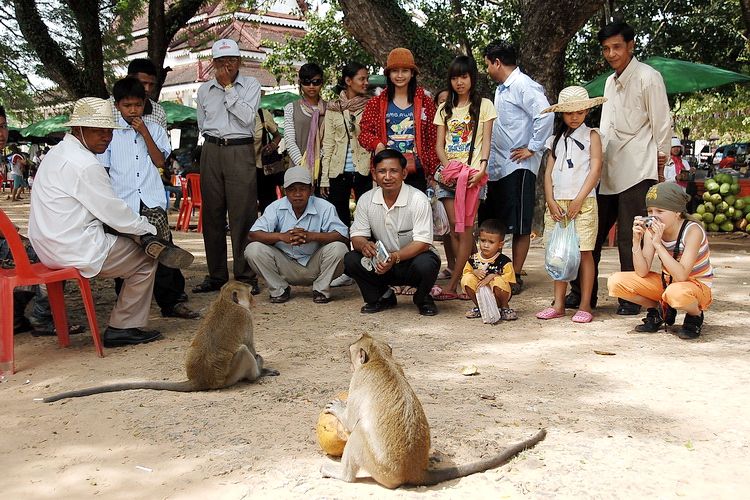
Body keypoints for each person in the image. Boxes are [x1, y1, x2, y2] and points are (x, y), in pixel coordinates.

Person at [28, 97, 163, 347]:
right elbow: (115, 213)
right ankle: (124, 326)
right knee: (146, 257)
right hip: (74, 248)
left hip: (47, 247)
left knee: (129, 238)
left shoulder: (57, 153)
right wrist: (148, 229)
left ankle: (125, 322)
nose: (106, 137)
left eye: (109, 131)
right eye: (98, 131)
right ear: (78, 129)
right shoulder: (86, 164)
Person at [567, 21, 672, 316]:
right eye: (606, 49)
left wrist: (661, 164)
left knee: (630, 236)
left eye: (617, 47)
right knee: (591, 233)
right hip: (608, 169)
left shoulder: (649, 78)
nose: (611, 53)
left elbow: (662, 123)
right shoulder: (610, 82)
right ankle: (583, 293)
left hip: (638, 168)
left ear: (631, 46)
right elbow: (606, 128)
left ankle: (631, 296)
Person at [100, 77, 199, 320]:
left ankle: (172, 302)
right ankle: (126, 308)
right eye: (127, 106)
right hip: (123, 203)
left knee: (163, 252)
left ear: (144, 103)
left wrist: (144, 132)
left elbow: (159, 161)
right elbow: (104, 168)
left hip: (151, 200)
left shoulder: (153, 129)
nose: (133, 110)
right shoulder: (109, 134)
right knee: (125, 254)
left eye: (137, 105)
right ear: (117, 105)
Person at [482, 40, 554, 295]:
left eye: (488, 64)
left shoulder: (524, 85)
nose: (487, 69)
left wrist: (533, 147)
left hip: (519, 166)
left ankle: (516, 274)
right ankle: (497, 269)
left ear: (497, 62)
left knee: (521, 224)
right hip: (499, 166)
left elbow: (546, 114)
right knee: (499, 220)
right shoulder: (502, 89)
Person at [194, 38, 262, 294]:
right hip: (211, 149)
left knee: (243, 213)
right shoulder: (203, 90)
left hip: (239, 148)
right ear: (213, 63)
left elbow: (247, 118)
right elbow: (202, 123)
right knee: (211, 213)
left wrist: (229, 88)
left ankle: (245, 275)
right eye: (221, 62)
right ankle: (216, 275)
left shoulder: (251, 85)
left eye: (231, 61)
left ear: (240, 62)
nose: (227, 66)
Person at [535, 86, 605, 323]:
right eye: (569, 113)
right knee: (558, 253)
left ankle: (585, 304)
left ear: (586, 110)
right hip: (557, 203)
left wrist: (579, 199)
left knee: (585, 252)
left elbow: (595, 169)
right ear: (562, 114)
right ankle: (559, 303)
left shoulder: (592, 135)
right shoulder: (555, 140)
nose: (574, 117)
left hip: (583, 202)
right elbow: (548, 174)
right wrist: (550, 200)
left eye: (579, 111)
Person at [608, 183, 712, 339]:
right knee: (616, 282)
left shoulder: (692, 231)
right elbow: (642, 272)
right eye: (650, 211)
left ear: (677, 212)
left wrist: (658, 244)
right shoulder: (652, 231)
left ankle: (695, 315)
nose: (653, 216)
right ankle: (660, 310)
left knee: (675, 293)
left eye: (660, 211)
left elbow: (682, 275)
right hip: (669, 283)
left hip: (696, 286)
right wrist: (636, 241)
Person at [344, 148, 440, 316]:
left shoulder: (418, 199)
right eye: (382, 171)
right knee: (351, 258)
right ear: (374, 174)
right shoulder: (366, 199)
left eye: (393, 171)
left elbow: (423, 243)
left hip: (411, 261)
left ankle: (423, 298)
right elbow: (357, 235)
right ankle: (382, 297)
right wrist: (365, 245)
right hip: (381, 262)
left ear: (404, 173)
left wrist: (394, 257)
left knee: (428, 263)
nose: (387, 177)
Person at [432, 55, 496, 301]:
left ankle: (456, 282)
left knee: (467, 227)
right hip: (449, 178)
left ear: (472, 78)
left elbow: (487, 142)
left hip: (473, 177)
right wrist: (449, 169)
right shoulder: (444, 109)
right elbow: (440, 146)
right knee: (456, 229)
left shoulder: (484, 105)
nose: (459, 82)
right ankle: (465, 279)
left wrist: (481, 169)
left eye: (464, 76)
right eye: (455, 77)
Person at [245, 166, 349, 303]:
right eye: (292, 189)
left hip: (314, 264)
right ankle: (279, 289)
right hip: (285, 264)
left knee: (340, 249)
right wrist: (281, 236)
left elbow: (343, 236)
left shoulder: (325, 207)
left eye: (302, 189)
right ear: (284, 191)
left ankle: (321, 288)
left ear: (311, 190)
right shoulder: (275, 207)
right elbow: (253, 235)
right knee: (253, 250)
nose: (297, 194)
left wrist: (311, 236)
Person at [359, 47, 439, 194]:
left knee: (415, 213)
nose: (400, 75)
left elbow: (433, 139)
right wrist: (377, 144)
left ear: (412, 73)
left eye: (405, 71)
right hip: (387, 170)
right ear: (388, 74)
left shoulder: (425, 102)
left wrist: (432, 171)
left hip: (417, 169)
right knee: (388, 214)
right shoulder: (376, 102)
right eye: (395, 71)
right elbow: (364, 133)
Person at [321, 62, 372, 289]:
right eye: (362, 78)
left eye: (366, 78)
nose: (366, 83)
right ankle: (346, 268)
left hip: (364, 169)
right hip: (338, 171)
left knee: (367, 220)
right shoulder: (332, 108)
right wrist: (324, 178)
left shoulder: (370, 105)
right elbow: (328, 144)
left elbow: (371, 136)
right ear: (348, 81)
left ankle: (369, 265)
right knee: (341, 221)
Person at [461, 219, 517, 321]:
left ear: (500, 244)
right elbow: (466, 273)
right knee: (467, 279)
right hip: (480, 291)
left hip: (498, 294)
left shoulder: (504, 261)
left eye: (491, 242)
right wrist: (474, 272)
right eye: (483, 240)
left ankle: (504, 308)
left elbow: (510, 281)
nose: (486, 245)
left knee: (499, 281)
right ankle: (480, 306)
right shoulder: (473, 259)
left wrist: (493, 276)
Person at [283, 63, 327, 182]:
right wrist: (304, 166)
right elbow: (290, 141)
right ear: (300, 83)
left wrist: (318, 161)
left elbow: (330, 141)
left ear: (322, 83)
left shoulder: (330, 109)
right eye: (307, 82)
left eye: (316, 82)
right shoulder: (291, 108)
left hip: (324, 171)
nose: (311, 86)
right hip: (297, 170)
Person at [432, 88, 456, 281]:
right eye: (441, 101)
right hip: (438, 181)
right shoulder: (434, 127)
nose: (445, 103)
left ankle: (466, 267)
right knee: (446, 229)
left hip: (460, 179)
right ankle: (452, 265)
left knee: (459, 226)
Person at [109, 58, 168, 130]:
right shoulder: (107, 107)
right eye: (143, 83)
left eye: (151, 84)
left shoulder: (159, 112)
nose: (147, 89)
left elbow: (162, 140)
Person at [255, 105, 284, 213]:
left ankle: (268, 228)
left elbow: (277, 135)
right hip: (241, 169)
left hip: (263, 168)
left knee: (268, 205)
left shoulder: (262, 114)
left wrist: (272, 145)